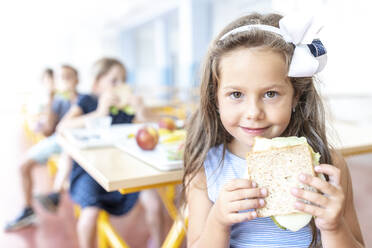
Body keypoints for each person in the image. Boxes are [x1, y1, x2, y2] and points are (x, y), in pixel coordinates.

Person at [182, 13, 365, 247]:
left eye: (270, 94)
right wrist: (218, 221)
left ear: (295, 96)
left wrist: (333, 226)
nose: (253, 112)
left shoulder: (329, 166)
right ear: (215, 99)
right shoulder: (205, 170)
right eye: (236, 94)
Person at [57, 57, 162, 248]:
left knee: (154, 203)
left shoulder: (125, 108)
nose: (120, 86)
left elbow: (155, 126)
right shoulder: (88, 101)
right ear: (97, 83)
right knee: (89, 215)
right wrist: (99, 112)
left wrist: (141, 112)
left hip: (126, 167)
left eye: (123, 80)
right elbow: (63, 126)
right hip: (90, 172)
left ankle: (161, 243)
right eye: (114, 81)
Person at [5, 65, 80, 231]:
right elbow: (47, 130)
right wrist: (50, 100)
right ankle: (28, 209)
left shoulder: (85, 99)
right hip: (56, 140)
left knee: (68, 160)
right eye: (62, 78)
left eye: (69, 77)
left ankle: (56, 194)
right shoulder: (57, 101)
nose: (66, 81)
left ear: (77, 80)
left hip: (75, 144)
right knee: (23, 165)